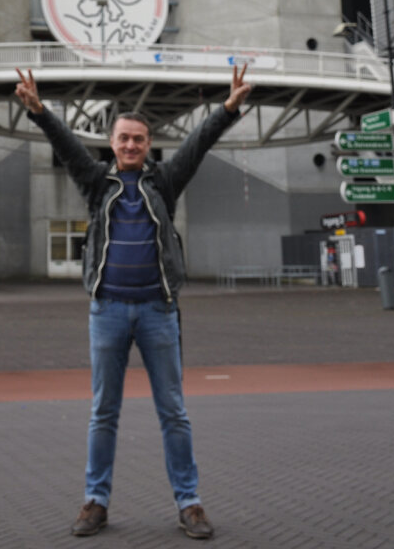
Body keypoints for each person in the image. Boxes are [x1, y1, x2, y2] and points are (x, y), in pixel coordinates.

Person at [15, 62, 252, 540]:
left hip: (157, 313)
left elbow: (197, 145)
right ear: (112, 143)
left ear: (147, 146)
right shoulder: (95, 183)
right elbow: (66, 145)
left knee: (174, 411)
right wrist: (40, 112)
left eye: (138, 140)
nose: (130, 146)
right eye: (123, 139)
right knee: (104, 411)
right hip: (107, 313)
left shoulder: (162, 183)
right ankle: (95, 502)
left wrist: (227, 110)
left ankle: (190, 503)